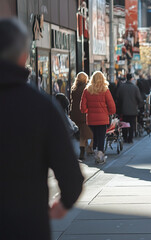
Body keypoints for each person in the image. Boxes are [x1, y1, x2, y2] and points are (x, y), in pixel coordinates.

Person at [0, 18, 83, 240]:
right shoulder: (40, 105)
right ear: (24, 56)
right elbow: (70, 172)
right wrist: (64, 203)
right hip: (26, 223)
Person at [81, 71, 116, 164]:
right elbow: (112, 106)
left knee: (95, 137)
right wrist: (108, 112)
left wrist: (88, 112)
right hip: (103, 118)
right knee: (101, 137)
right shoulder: (105, 90)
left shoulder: (87, 90)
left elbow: (82, 107)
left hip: (91, 119)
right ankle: (100, 156)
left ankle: (96, 153)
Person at [70, 72, 94, 160]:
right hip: (84, 114)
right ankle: (87, 149)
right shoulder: (86, 88)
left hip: (75, 115)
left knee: (82, 134)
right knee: (91, 134)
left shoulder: (74, 88)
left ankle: (84, 151)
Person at [116, 73, 143, 143]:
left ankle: (125, 137)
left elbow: (117, 97)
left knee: (124, 124)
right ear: (131, 79)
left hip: (123, 110)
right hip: (133, 110)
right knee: (131, 124)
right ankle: (130, 138)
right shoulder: (135, 88)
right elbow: (139, 99)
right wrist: (139, 106)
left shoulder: (121, 87)